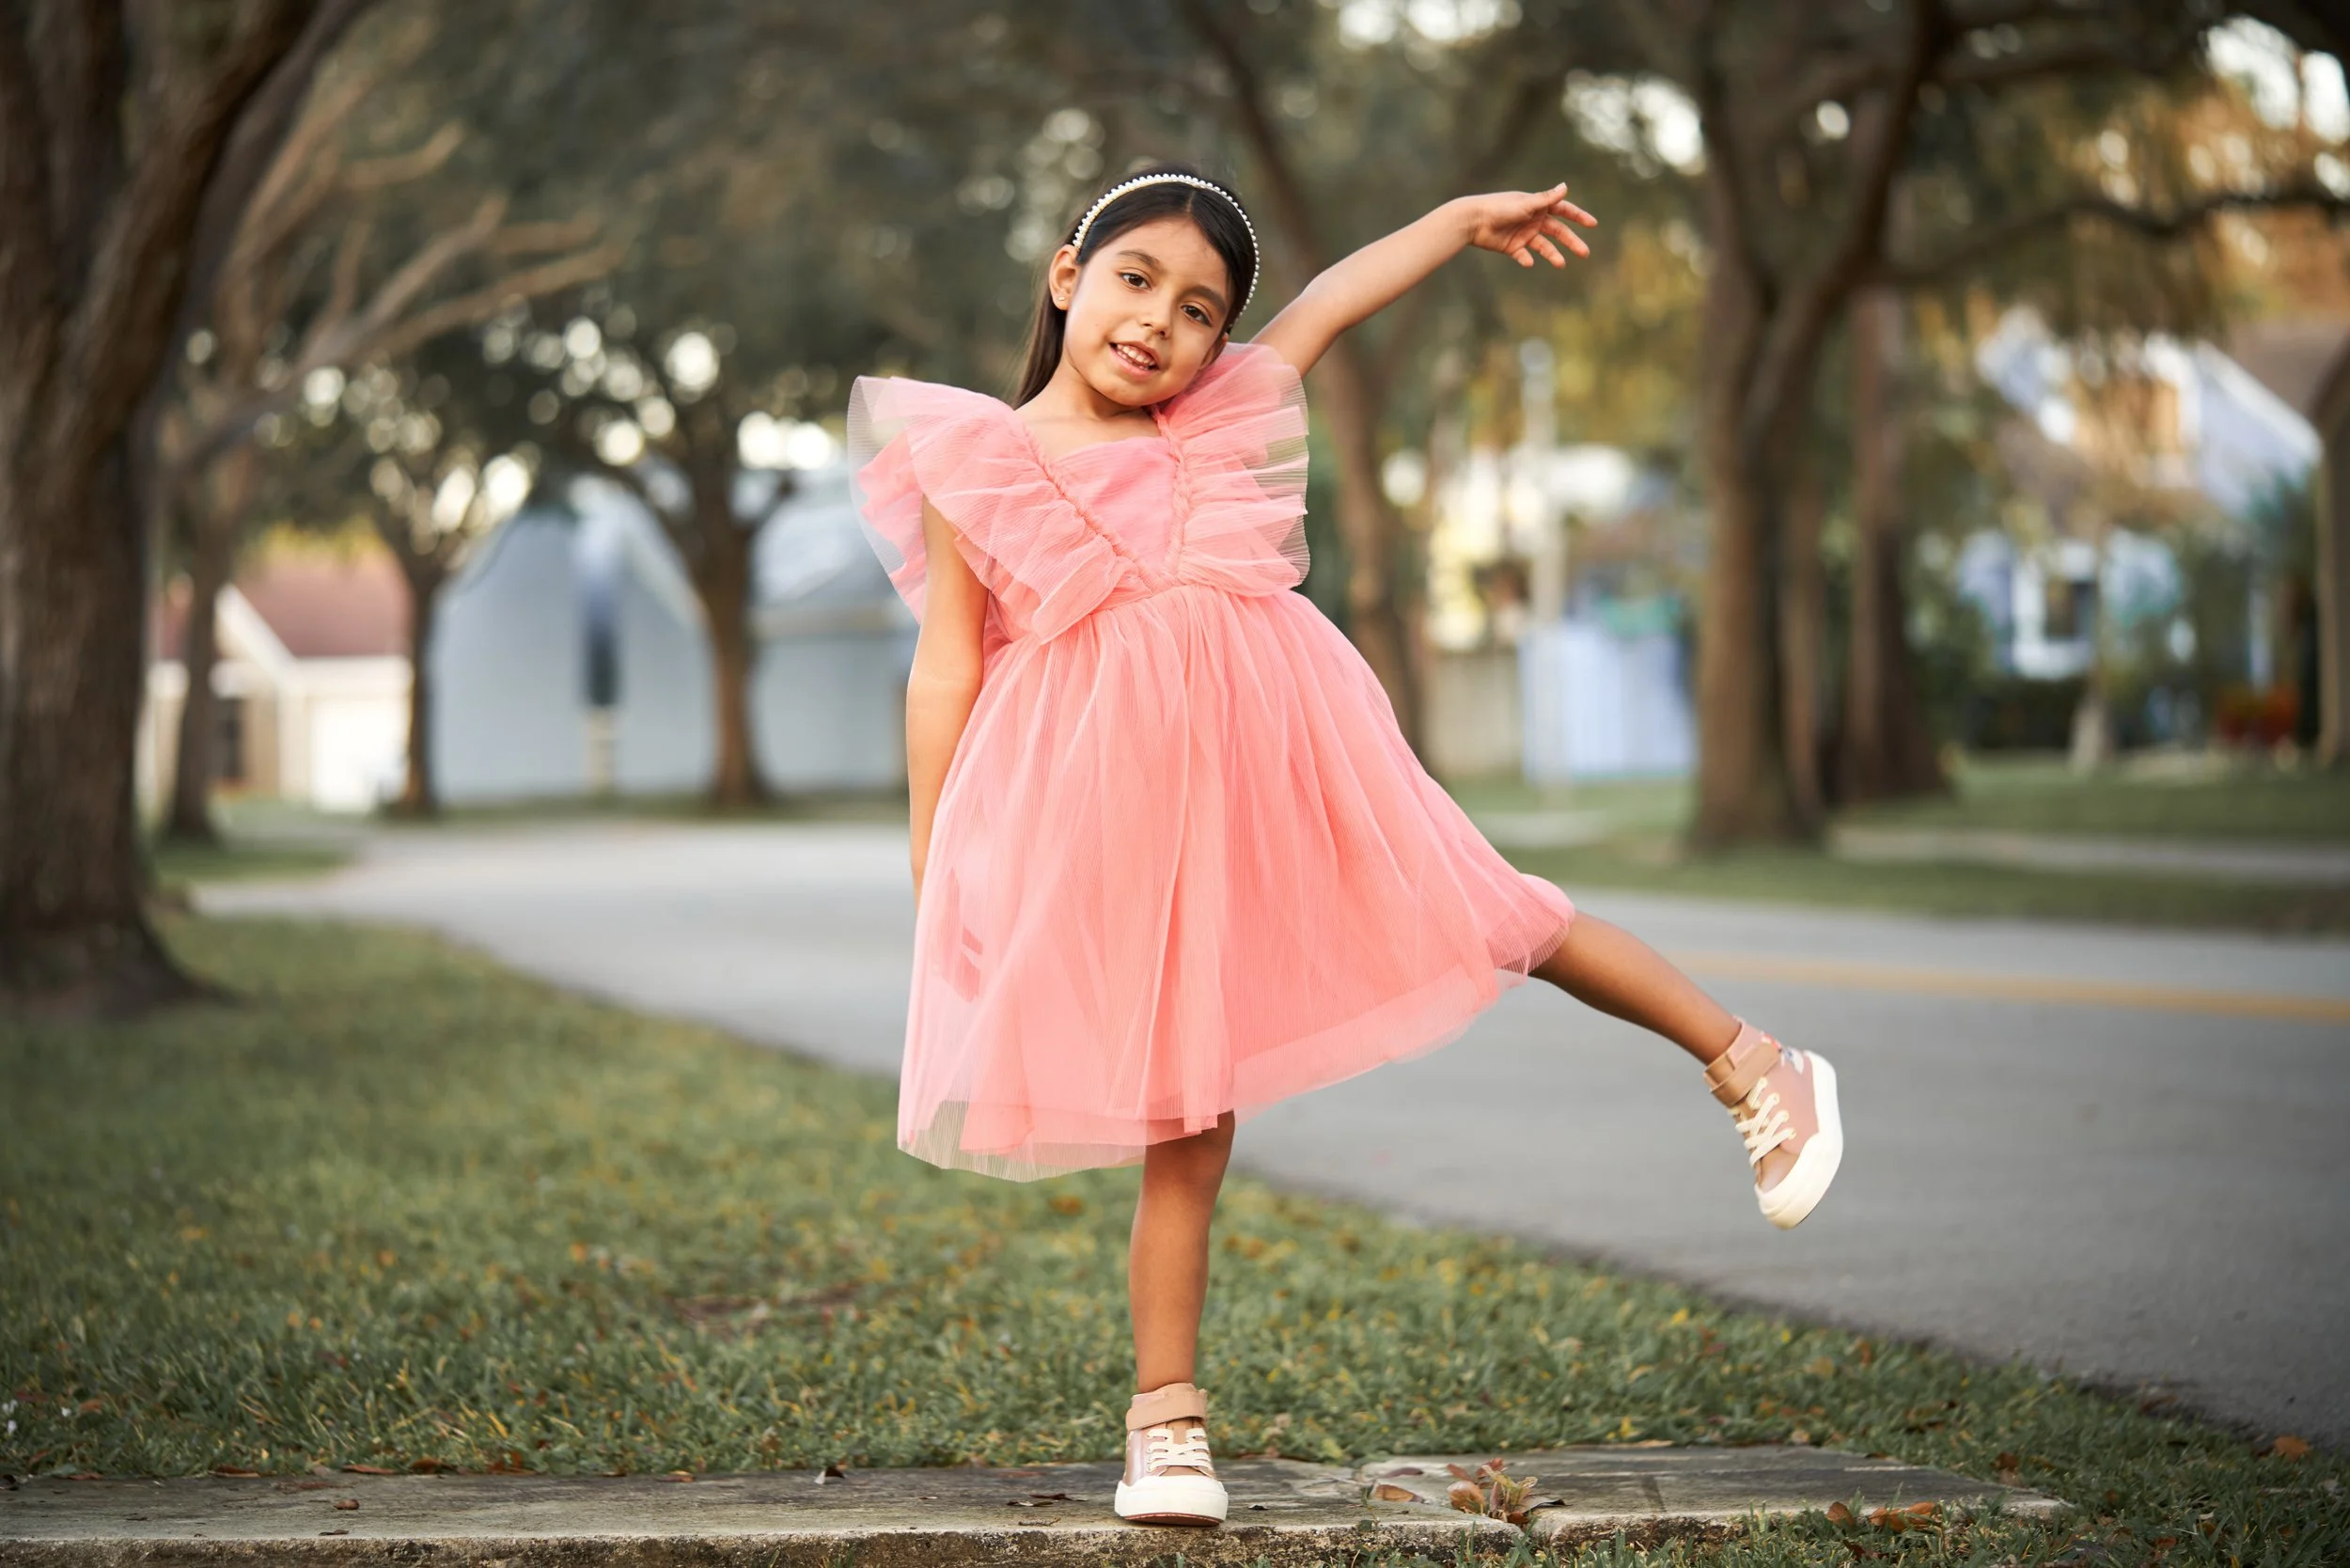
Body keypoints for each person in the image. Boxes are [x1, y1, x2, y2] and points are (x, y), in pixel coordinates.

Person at [843, 163, 1842, 1529]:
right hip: (1120, 813)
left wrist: (1454, 225)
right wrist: (938, 863)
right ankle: (1169, 1428)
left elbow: (1327, 302)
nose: (1161, 325)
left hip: (1291, 763)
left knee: (1497, 914)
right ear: (1069, 276)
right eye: (1136, 281)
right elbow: (945, 675)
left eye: (1200, 310)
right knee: (1183, 1120)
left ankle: (1751, 1060)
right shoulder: (975, 462)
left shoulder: (1220, 417)